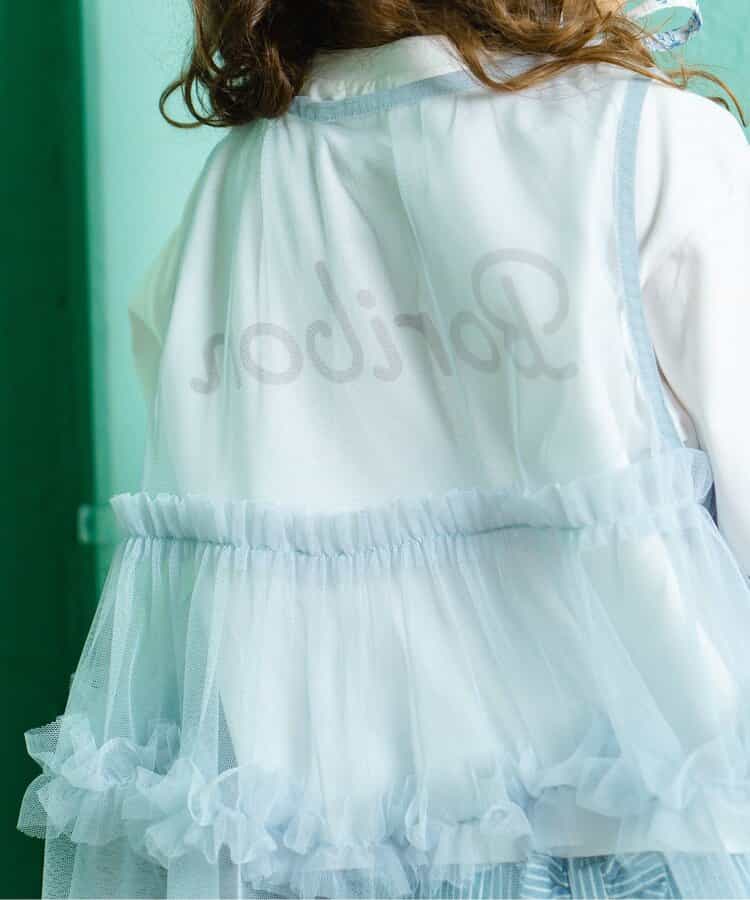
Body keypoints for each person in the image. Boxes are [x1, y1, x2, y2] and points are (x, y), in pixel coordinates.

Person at [17, 1, 750, 897]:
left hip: (322, 846)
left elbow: (161, 371)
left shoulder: (233, 186)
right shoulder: (647, 142)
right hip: (631, 815)